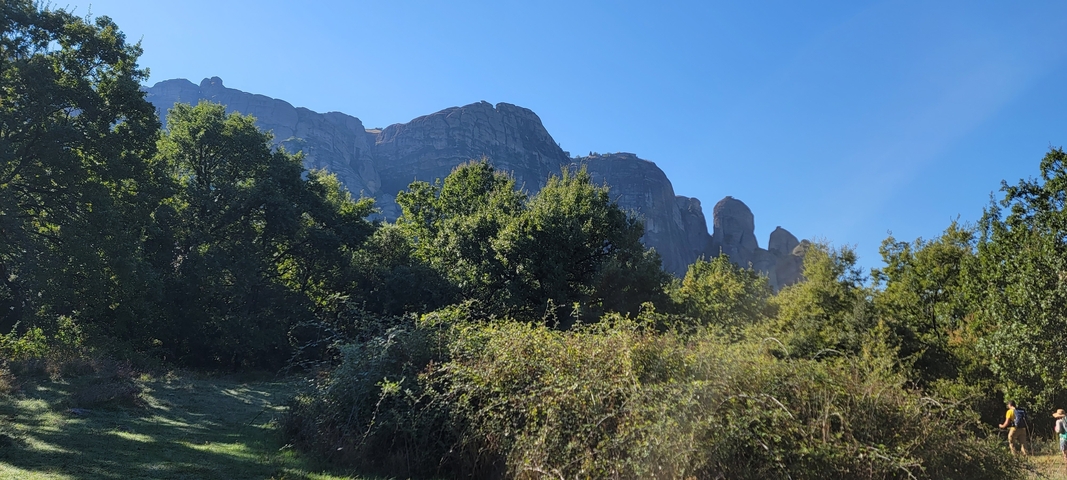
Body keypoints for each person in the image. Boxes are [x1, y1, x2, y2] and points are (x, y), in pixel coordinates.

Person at [1055, 409, 1067, 474]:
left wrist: (1055, 429)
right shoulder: (1066, 419)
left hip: (1063, 439)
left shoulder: (1058, 421)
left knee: (1065, 454)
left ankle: (1066, 467)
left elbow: (1058, 430)